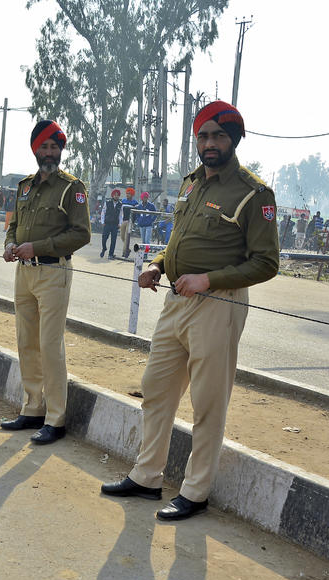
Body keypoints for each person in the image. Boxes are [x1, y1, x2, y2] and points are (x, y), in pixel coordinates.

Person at [100, 100, 279, 521]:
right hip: (175, 301)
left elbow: (267, 263)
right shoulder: (190, 184)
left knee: (207, 402)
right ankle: (146, 477)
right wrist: (158, 263)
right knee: (156, 388)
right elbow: (180, 239)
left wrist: (209, 279)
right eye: (203, 135)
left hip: (217, 305)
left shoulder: (254, 193)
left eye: (218, 135)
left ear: (234, 139)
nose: (210, 143)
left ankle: (195, 491)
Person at [1, 119, 90, 443]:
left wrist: (36, 247)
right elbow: (14, 225)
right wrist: (10, 244)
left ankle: (56, 418)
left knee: (50, 345)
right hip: (23, 272)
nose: (49, 152)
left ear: (61, 150)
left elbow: (81, 233)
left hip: (53, 272)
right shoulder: (25, 186)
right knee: (26, 341)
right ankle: (32, 407)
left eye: (55, 147)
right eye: (44, 147)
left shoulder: (71, 188)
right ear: (35, 149)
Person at [99, 188, 122, 258]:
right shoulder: (107, 203)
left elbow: (121, 215)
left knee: (113, 240)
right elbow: (103, 213)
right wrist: (102, 221)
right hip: (107, 223)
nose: (116, 196)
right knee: (104, 238)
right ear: (112, 196)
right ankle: (104, 248)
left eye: (117, 195)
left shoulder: (121, 205)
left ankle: (110, 254)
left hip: (115, 225)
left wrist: (120, 223)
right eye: (115, 195)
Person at [120, 187, 138, 257]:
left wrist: (133, 222)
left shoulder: (135, 203)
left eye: (129, 194)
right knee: (122, 237)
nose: (127, 195)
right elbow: (120, 211)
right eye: (127, 193)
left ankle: (124, 253)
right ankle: (127, 249)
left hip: (130, 221)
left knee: (126, 237)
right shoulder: (123, 201)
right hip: (123, 221)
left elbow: (136, 214)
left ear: (132, 194)